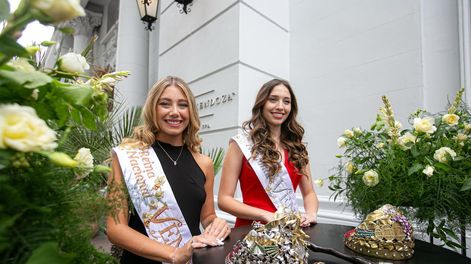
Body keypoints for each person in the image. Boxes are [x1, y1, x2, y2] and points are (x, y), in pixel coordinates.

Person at [106, 76, 230, 264]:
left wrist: (217, 224)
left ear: (191, 112)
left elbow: (207, 216)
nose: (175, 112)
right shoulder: (128, 156)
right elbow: (115, 228)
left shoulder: (204, 163)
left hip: (191, 258)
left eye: (182, 105)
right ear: (153, 109)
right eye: (165, 104)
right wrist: (173, 253)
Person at [218, 79, 319, 227]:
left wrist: (311, 213)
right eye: (273, 100)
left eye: (286, 102)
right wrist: (264, 214)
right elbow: (224, 199)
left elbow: (309, 193)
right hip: (251, 233)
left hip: (289, 231)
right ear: (262, 103)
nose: (280, 107)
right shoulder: (240, 145)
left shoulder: (298, 147)